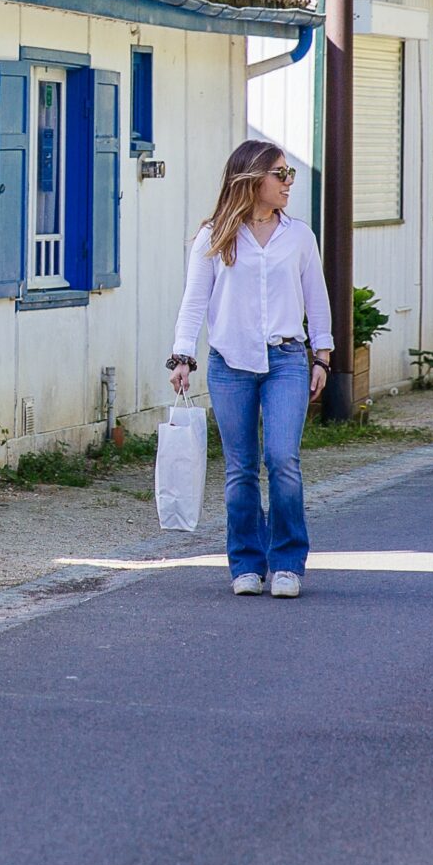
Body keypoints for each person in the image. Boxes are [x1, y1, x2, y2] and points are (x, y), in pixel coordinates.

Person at [168, 140, 334, 599]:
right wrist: (182, 356)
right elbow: (194, 302)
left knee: (282, 460)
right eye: (280, 175)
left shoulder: (299, 236)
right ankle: (245, 561)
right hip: (230, 364)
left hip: (286, 361)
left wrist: (323, 354)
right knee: (240, 469)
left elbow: (317, 302)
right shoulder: (215, 235)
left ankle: (287, 561)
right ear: (251, 180)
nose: (288, 183)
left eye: (289, 175)